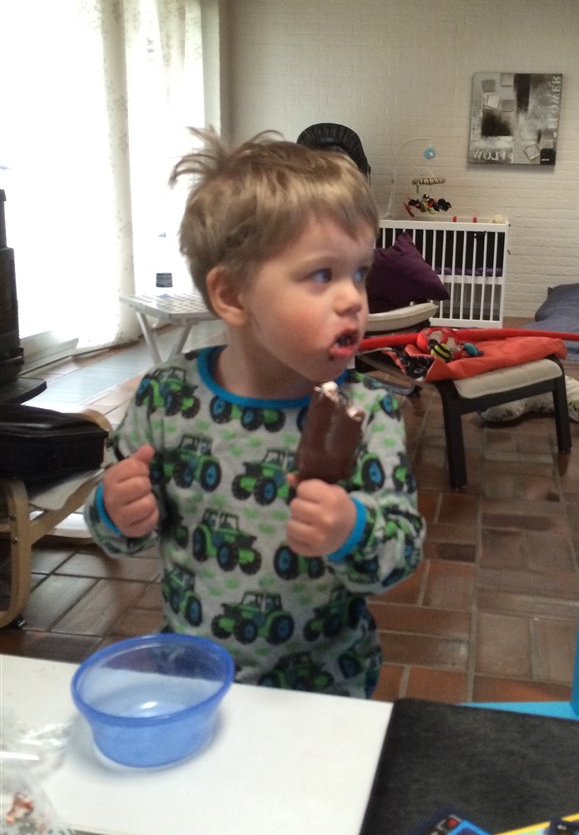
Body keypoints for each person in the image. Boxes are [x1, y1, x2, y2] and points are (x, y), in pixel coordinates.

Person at [84, 129, 424, 698]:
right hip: (192, 678)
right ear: (233, 295)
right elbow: (115, 538)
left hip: (324, 690)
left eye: (359, 272)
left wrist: (351, 529)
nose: (353, 299)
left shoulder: (369, 412)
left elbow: (400, 555)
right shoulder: (167, 399)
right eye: (323, 274)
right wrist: (115, 510)